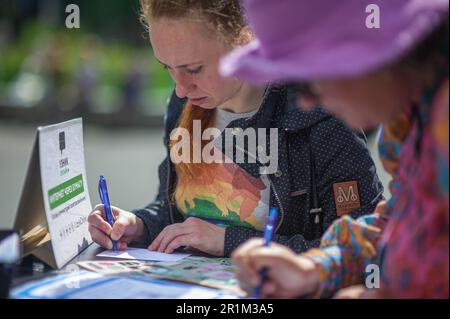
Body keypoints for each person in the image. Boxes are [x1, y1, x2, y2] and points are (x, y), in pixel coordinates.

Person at [87, 0, 384, 258]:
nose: (179, 90)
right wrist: (138, 224)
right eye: (167, 67)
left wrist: (229, 242)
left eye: (193, 69)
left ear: (246, 38)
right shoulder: (184, 105)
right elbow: (175, 212)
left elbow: (359, 248)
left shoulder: (321, 115)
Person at [224, 0, 449, 298]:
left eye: (306, 81)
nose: (304, 102)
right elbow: (402, 224)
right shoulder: (406, 114)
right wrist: (314, 270)